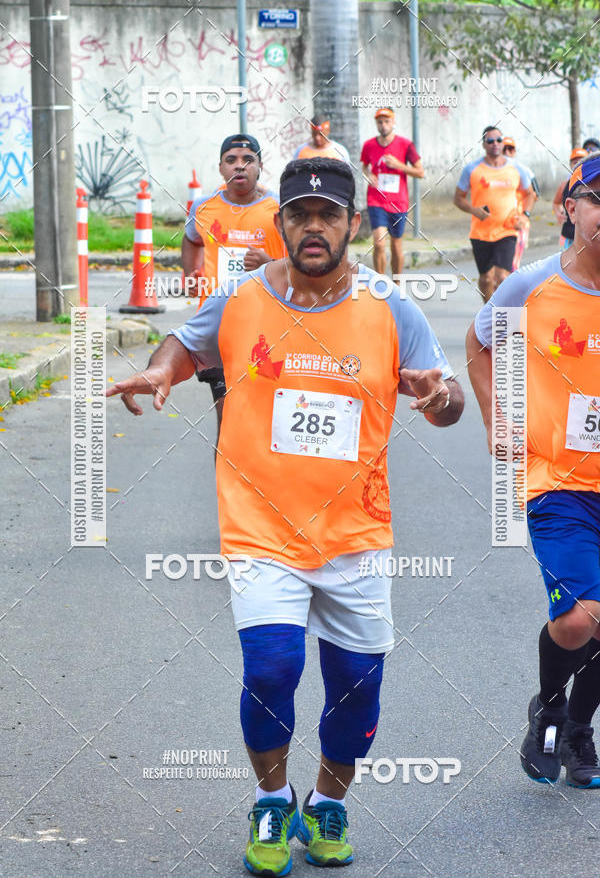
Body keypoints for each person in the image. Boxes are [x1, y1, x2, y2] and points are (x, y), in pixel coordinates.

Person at [108, 157, 464, 874]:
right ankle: (272, 798)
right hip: (259, 526)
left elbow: (449, 401)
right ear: (281, 223)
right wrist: (161, 369)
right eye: (300, 215)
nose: (313, 227)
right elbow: (187, 341)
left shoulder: (391, 305)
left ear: (352, 224)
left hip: (355, 532)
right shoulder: (240, 297)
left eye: (328, 215)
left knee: (357, 684)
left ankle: (327, 802)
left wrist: (437, 398)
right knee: (272, 667)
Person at [466, 151, 600, 789]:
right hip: (557, 480)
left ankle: (576, 730)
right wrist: (496, 417)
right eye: (598, 199)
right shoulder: (531, 286)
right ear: (571, 208)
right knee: (580, 617)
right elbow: (479, 343)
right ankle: (549, 705)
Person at [181, 133, 286, 428]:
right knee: (227, 416)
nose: (239, 166)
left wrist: (269, 265)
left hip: (266, 327)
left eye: (248, 160)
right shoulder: (202, 208)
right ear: (220, 168)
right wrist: (190, 274)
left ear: (260, 166)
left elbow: (303, 266)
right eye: (231, 160)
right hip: (218, 325)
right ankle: (228, 460)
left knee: (263, 417)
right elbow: (191, 239)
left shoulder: (280, 210)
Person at [454, 125, 536, 302]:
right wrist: (473, 209)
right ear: (484, 144)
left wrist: (525, 216)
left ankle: (501, 313)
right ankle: (488, 309)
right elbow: (458, 198)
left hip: (507, 230)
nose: (495, 144)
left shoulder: (516, 168)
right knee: (486, 278)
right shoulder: (472, 169)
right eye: (490, 141)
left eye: (499, 140)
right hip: (480, 233)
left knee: (502, 277)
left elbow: (530, 194)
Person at [360, 107, 424, 276]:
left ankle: (396, 282)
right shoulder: (369, 145)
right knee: (379, 243)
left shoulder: (406, 145)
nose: (383, 125)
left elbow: (420, 172)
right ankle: (380, 282)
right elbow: (364, 167)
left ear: (393, 122)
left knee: (396, 244)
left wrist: (398, 165)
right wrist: (369, 175)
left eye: (387, 121)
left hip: (398, 202)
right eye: (380, 122)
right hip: (376, 199)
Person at [502, 137, 540, 270]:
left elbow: (535, 194)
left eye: (510, 149)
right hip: (499, 225)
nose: (507, 152)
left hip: (518, 223)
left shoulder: (524, 171)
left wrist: (524, 215)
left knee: (512, 265)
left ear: (514, 151)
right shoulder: (493, 172)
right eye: (504, 149)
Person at [552, 148, 587, 249]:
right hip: (568, 236)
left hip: (589, 238)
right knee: (565, 259)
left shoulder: (594, 185)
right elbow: (556, 203)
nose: (577, 163)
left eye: (581, 161)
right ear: (570, 165)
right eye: (574, 161)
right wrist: (558, 213)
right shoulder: (564, 185)